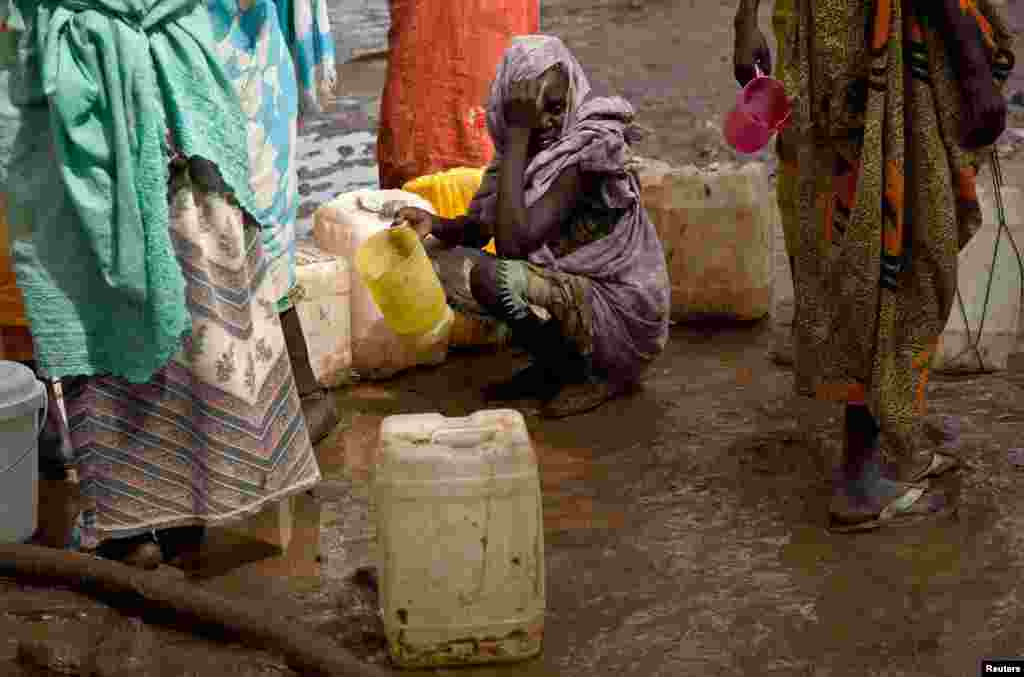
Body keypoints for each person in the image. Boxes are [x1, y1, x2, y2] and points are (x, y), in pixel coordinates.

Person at [1, 0, 321, 567]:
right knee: (202, 291)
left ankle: (132, 527)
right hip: (175, 87)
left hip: (81, 91)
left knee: (93, 296)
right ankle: (190, 513)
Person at [734, 0, 1013, 530]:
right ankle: (860, 480)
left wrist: (744, 20)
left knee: (865, 246)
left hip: (835, 67)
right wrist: (973, 64)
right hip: (866, 66)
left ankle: (889, 444)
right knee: (887, 251)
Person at [393, 35, 671, 418]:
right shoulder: (522, 154)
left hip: (619, 316)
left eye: (554, 108)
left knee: (494, 278)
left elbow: (512, 245)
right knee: (437, 262)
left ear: (572, 92)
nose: (546, 122)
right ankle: (554, 367)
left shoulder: (585, 149)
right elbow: (479, 228)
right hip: (575, 292)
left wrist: (518, 133)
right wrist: (436, 224)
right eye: (530, 112)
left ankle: (595, 374)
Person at [207, 0, 339, 444]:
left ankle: (306, 397)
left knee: (259, 239)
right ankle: (255, 403)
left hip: (246, 83)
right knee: (208, 243)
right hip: (203, 80)